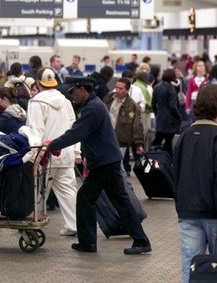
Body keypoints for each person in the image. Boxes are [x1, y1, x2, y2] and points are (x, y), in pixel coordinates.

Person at [45, 77, 151, 254]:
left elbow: (76, 133)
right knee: (116, 202)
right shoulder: (92, 105)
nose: (72, 96)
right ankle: (138, 241)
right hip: (105, 161)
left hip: (104, 162)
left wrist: (51, 145)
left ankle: (90, 242)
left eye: (73, 91)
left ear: (82, 89)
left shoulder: (93, 108)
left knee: (88, 198)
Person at [173, 84, 217, 283]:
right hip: (216, 217)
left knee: (190, 267)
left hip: (188, 213)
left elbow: (176, 174)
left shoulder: (183, 136)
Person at [26, 67, 79, 236]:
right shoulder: (66, 102)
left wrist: (32, 156)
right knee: (69, 191)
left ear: (38, 83)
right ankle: (75, 225)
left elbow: (36, 130)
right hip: (66, 154)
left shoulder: (36, 102)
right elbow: (74, 128)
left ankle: (32, 223)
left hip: (45, 156)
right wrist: (77, 153)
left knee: (38, 193)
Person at [103, 77, 145, 169]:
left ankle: (124, 183)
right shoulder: (109, 97)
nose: (117, 90)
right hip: (105, 137)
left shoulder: (132, 106)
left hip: (120, 140)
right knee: (106, 165)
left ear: (127, 90)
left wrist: (139, 144)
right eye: (116, 87)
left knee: (118, 166)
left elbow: (137, 126)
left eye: (121, 88)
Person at [151, 69, 182, 157]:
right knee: (168, 141)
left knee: (158, 139)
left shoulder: (156, 87)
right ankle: (167, 160)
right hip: (170, 119)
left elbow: (153, 103)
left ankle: (152, 156)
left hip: (160, 117)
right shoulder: (171, 89)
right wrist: (178, 116)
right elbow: (173, 106)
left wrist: (157, 113)